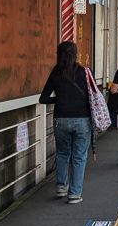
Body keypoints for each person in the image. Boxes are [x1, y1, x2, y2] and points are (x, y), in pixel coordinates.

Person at [38, 41, 91, 204]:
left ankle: (61, 187)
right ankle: (74, 194)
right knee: (79, 156)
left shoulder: (56, 72)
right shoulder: (84, 72)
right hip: (82, 120)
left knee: (62, 153)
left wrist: (60, 99)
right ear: (75, 54)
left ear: (59, 55)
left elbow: (43, 98)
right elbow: (93, 96)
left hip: (61, 119)